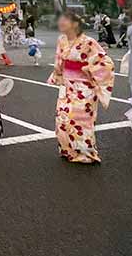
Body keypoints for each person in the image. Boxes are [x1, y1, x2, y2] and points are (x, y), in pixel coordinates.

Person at [48, 12, 115, 163]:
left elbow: (104, 62)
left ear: (75, 24)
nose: (61, 23)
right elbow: (59, 61)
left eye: (65, 20)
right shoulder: (62, 40)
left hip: (84, 87)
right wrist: (58, 73)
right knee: (63, 119)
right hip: (67, 85)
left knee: (81, 121)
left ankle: (85, 154)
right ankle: (67, 150)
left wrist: (88, 68)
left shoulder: (89, 42)